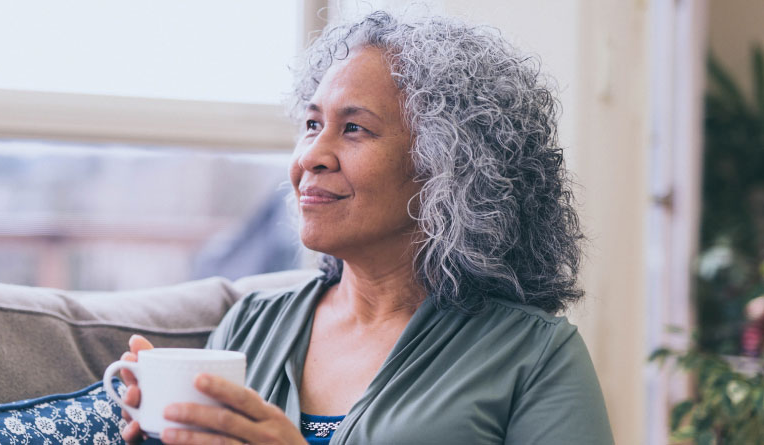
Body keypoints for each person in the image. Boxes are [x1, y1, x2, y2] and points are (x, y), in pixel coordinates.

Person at [119, 11, 613, 444]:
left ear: (449, 165)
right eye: (313, 124)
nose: (311, 156)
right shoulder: (250, 324)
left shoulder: (534, 356)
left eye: (354, 128)